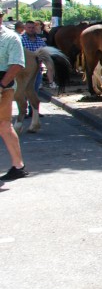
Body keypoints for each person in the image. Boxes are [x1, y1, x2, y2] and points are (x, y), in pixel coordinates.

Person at [0, 22, 27, 183]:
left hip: (3, 88)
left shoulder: (11, 37)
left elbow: (17, 65)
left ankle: (18, 166)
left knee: (4, 125)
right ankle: (18, 166)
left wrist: (1, 85)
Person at [20, 20, 47, 116]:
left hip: (37, 70)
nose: (31, 29)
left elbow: (45, 52)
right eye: (29, 28)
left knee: (35, 90)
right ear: (25, 28)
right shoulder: (20, 40)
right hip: (24, 71)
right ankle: (23, 111)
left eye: (33, 28)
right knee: (24, 90)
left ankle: (34, 111)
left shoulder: (40, 40)